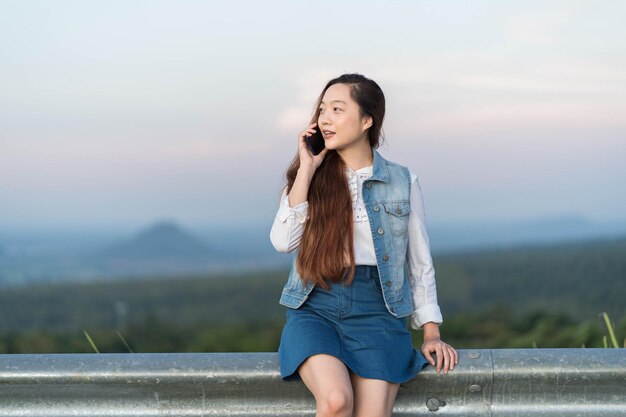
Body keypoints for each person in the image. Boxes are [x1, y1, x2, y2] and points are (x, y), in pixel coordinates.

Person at [269, 73, 458, 417]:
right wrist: (308, 170)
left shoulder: (403, 181)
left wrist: (431, 331)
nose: (324, 118)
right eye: (322, 109)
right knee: (336, 401)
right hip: (317, 305)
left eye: (337, 109)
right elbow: (284, 243)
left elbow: (419, 263)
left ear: (367, 120)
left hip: (379, 310)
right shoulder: (310, 178)